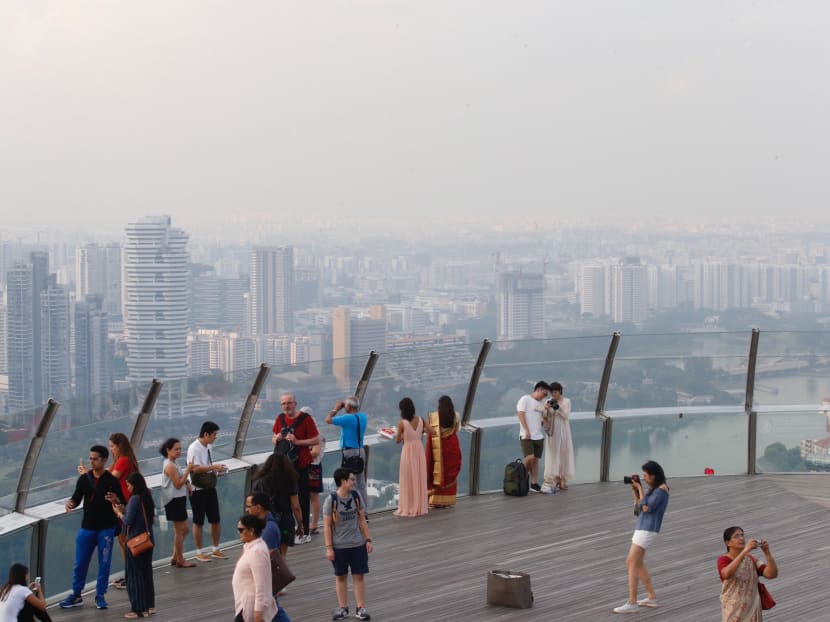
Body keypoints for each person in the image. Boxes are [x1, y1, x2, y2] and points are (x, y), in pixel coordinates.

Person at [59, 444, 125, 610]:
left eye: (95, 459)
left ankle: (100, 595)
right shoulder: (84, 479)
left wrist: (116, 499)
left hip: (106, 529)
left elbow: (123, 503)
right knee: (80, 562)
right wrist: (70, 503)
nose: (92, 462)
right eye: (91, 458)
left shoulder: (112, 481)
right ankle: (76, 594)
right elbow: (76, 498)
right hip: (87, 528)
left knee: (104, 563)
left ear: (104, 460)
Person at [77, 432, 140, 591]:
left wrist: (86, 476)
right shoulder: (122, 460)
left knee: (125, 540)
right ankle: (130, 573)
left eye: (112, 446)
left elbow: (107, 481)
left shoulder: (123, 461)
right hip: (120, 504)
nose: (111, 449)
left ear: (119, 447)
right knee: (122, 540)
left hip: (123, 505)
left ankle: (132, 574)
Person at [613, 460, 670, 614]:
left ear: (654, 475)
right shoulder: (655, 489)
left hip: (647, 530)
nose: (644, 478)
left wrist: (640, 488)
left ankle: (632, 603)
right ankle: (651, 597)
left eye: (646, 476)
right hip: (643, 528)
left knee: (631, 562)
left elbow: (646, 507)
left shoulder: (660, 491)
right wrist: (636, 491)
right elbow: (639, 508)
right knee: (637, 563)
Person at [323, 467, 373, 621]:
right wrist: (329, 548)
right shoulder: (331, 500)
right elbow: (326, 525)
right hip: (339, 547)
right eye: (351, 479)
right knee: (341, 577)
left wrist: (368, 539)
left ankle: (360, 607)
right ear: (343, 481)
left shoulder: (356, 496)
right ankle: (343, 608)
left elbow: (361, 519)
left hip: (357, 544)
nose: (354, 481)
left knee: (359, 576)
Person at [272, 393, 320, 543]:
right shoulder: (280, 419)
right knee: (286, 500)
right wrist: (277, 438)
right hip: (284, 466)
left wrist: (297, 441)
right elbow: (273, 437)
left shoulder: (306, 419)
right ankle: (294, 528)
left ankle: (305, 531)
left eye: (289, 403)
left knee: (303, 499)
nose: (286, 406)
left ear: (295, 403)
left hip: (301, 465)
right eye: (284, 403)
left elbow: (316, 439)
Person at [113, 472, 156, 618]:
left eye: (129, 485)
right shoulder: (147, 497)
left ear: (134, 485)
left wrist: (119, 512)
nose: (128, 488)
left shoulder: (135, 499)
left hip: (135, 542)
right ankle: (149, 606)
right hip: (148, 540)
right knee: (146, 574)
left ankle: (138, 609)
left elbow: (128, 520)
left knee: (134, 575)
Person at [245, 493, 292, 622]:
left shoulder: (267, 530)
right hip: (267, 582)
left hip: (266, 581)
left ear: (258, 508)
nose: (246, 510)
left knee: (274, 611)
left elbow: (266, 558)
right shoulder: (265, 525)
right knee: (274, 611)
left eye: (248, 506)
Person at [187, 421, 229, 562]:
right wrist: (214, 466)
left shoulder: (208, 447)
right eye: (214, 434)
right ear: (206, 434)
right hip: (197, 489)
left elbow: (206, 467)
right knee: (198, 521)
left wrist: (216, 470)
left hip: (209, 486)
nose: (215, 437)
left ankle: (215, 549)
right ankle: (199, 551)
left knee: (215, 519)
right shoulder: (194, 448)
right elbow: (196, 469)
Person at [718, 527, 778, 621]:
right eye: (736, 536)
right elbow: (726, 574)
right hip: (733, 610)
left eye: (742, 535)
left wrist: (767, 553)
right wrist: (745, 551)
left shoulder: (750, 559)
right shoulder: (724, 560)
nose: (741, 538)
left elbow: (771, 574)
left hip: (752, 608)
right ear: (728, 543)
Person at [251, 454, 304, 560]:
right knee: (281, 555)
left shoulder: (258, 482)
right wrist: (300, 525)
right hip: (284, 520)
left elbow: (254, 505)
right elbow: (295, 507)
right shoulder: (290, 480)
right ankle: (280, 574)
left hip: (264, 521)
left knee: (265, 553)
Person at [232, 514, 279, 622]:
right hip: (244, 604)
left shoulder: (257, 551)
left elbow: (261, 584)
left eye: (240, 529)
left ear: (251, 531)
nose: (238, 532)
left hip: (250, 606)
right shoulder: (251, 547)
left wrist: (258, 612)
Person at [326, 396, 369, 511]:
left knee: (350, 483)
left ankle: (357, 510)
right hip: (361, 451)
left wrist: (336, 408)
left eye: (345, 405)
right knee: (361, 483)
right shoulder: (363, 417)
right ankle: (364, 511)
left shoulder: (347, 418)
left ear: (349, 406)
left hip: (350, 453)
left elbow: (328, 419)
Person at [159, 438, 195, 567]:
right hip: (173, 499)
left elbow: (181, 480)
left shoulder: (174, 462)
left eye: (180, 449)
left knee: (184, 529)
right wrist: (188, 470)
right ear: (168, 450)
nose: (179, 451)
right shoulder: (169, 465)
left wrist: (188, 483)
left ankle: (176, 556)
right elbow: (178, 484)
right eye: (176, 449)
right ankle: (180, 559)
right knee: (180, 530)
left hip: (178, 499)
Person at [425, 395, 462, 508]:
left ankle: (435, 499)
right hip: (452, 447)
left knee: (438, 472)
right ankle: (447, 500)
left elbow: (430, 432)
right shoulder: (456, 416)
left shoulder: (435, 418)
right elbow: (457, 429)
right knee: (450, 472)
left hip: (440, 449)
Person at [394, 397, 428, 517]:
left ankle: (408, 506)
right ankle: (419, 506)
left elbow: (397, 440)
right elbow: (432, 432)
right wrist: (421, 431)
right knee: (419, 476)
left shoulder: (402, 423)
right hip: (419, 451)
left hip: (407, 451)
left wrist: (403, 434)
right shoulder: (421, 420)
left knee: (407, 478)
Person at [516, 381, 550, 493]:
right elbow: (520, 414)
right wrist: (526, 430)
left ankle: (534, 483)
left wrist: (546, 410)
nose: (545, 396)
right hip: (526, 435)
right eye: (544, 394)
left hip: (538, 435)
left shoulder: (542, 404)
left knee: (535, 460)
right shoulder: (525, 399)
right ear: (539, 389)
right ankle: (523, 478)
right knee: (529, 457)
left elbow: (542, 419)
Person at [542, 381, 575, 493]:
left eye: (555, 392)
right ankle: (555, 477)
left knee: (564, 454)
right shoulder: (548, 401)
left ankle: (563, 478)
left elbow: (566, 416)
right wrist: (546, 408)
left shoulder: (567, 401)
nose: (553, 394)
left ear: (560, 391)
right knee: (554, 454)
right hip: (553, 431)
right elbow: (545, 417)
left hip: (564, 431)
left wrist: (558, 408)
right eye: (552, 392)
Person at [303, 407, 325, 536]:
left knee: (313, 496)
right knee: (309, 496)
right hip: (310, 466)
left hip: (312, 466)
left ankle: (314, 524)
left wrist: (300, 454)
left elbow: (315, 452)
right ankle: (309, 524)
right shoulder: (310, 430)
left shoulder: (315, 432)